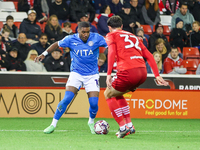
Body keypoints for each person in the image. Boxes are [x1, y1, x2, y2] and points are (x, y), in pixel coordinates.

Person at [35, 21, 108, 134]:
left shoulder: (96, 38)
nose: (86, 34)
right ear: (78, 30)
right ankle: (53, 124)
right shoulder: (70, 39)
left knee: (94, 103)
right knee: (66, 100)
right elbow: (56, 44)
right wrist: (44, 54)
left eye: (87, 32)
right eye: (83, 32)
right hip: (76, 74)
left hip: (92, 75)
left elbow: (110, 44)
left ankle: (91, 121)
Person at [104, 15, 168, 138]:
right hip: (142, 72)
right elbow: (149, 55)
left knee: (107, 94)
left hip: (128, 71)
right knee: (118, 94)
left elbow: (111, 52)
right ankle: (129, 126)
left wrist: (108, 75)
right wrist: (157, 75)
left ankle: (122, 127)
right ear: (122, 26)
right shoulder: (133, 36)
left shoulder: (111, 35)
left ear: (109, 28)